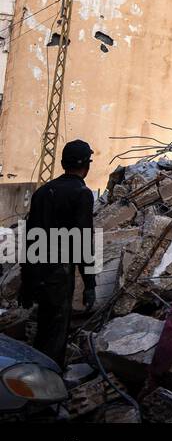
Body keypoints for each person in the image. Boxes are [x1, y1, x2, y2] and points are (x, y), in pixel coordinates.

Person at [19, 139, 97, 369]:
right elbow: (83, 242)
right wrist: (90, 283)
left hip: (38, 270)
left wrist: (26, 280)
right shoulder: (82, 194)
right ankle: (46, 390)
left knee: (42, 329)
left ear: (63, 163)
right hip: (59, 274)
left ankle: (32, 381)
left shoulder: (43, 192)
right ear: (86, 165)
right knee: (55, 336)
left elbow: (30, 238)